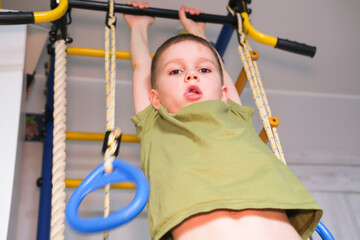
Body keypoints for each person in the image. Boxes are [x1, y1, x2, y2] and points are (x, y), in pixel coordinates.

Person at [123, 2, 322, 240]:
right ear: (154, 98)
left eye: (204, 70)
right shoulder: (155, 123)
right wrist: (138, 26)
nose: (191, 74)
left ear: (223, 94)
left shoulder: (232, 113)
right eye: (175, 71)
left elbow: (219, 66)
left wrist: (197, 31)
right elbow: (141, 66)